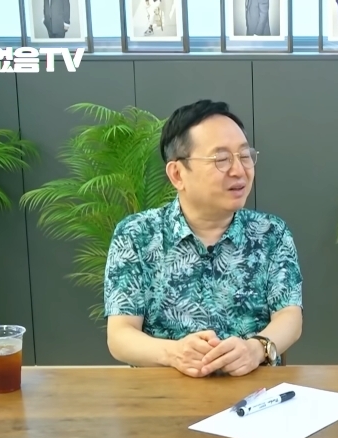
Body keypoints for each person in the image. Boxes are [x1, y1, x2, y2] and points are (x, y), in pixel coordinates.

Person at [104, 100, 303, 378]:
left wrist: (256, 348)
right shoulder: (137, 234)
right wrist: (173, 353)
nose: (239, 170)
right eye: (221, 159)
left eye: (245, 156)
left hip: (254, 392)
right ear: (177, 174)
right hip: (164, 393)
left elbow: (290, 316)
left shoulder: (271, 233)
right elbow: (120, 335)